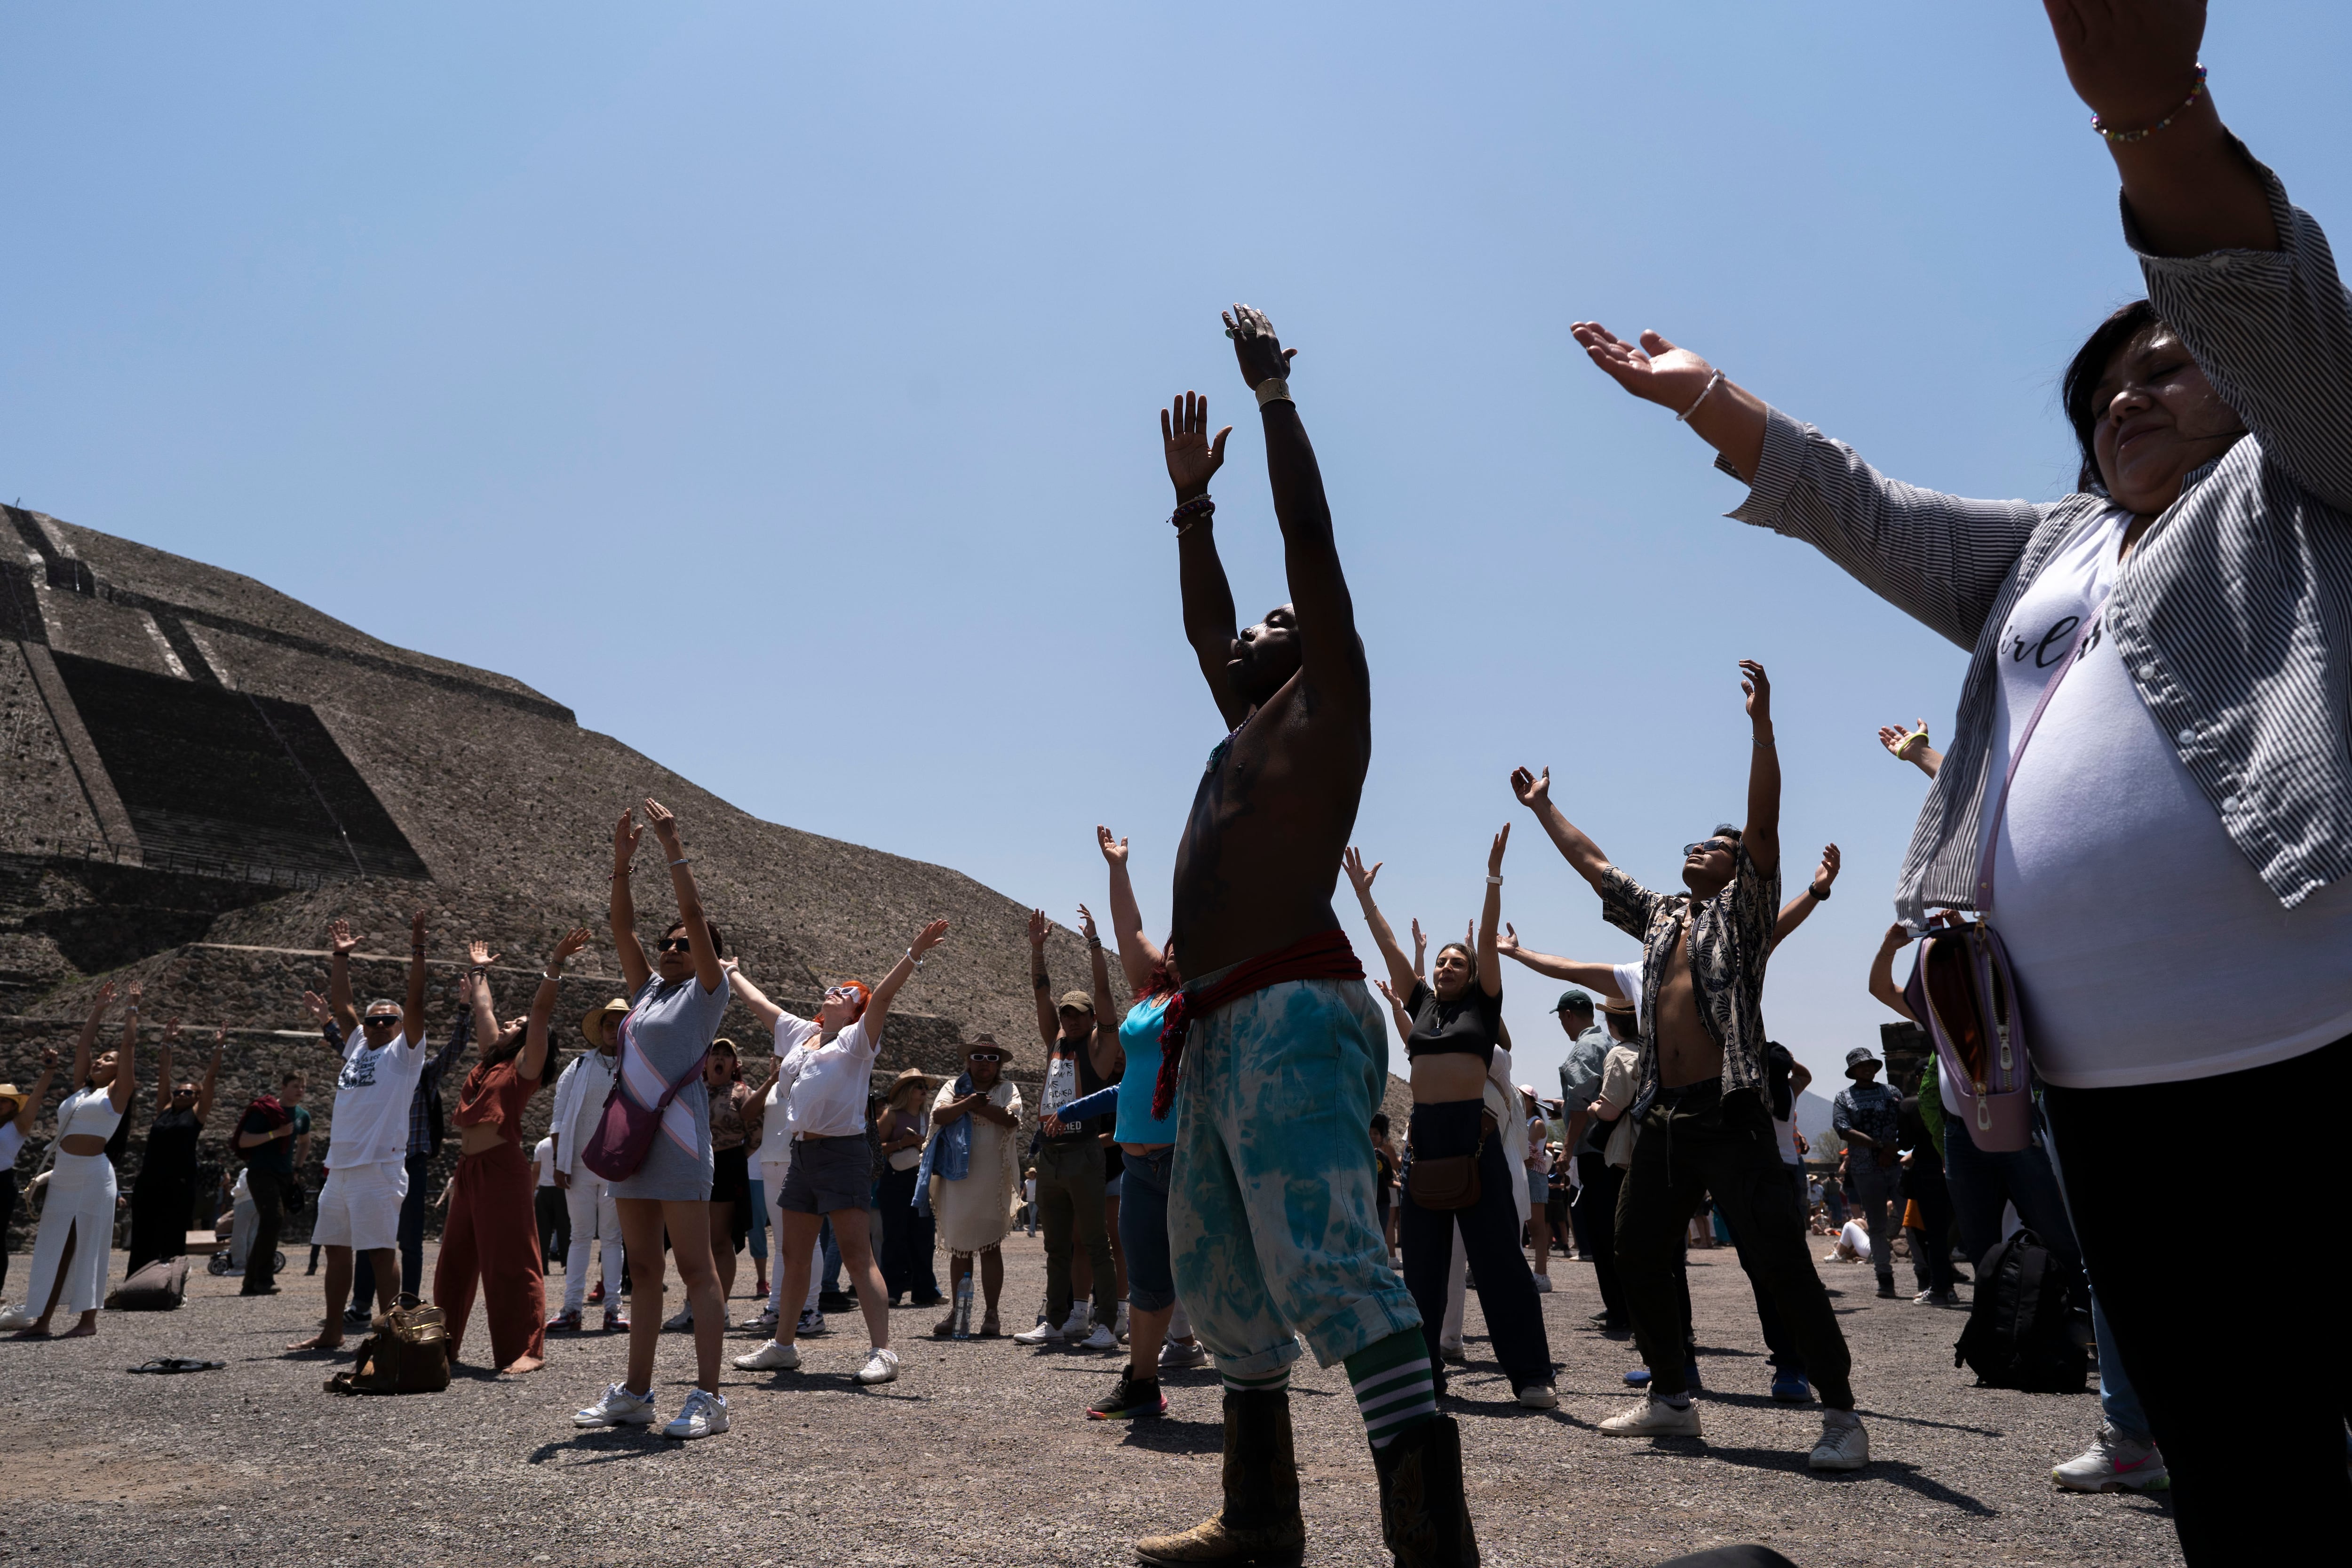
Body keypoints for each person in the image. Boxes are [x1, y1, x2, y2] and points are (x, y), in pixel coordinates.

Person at [1574, 4, 2352, 1544]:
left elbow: (2273, 307)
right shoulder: (2050, 554)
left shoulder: (2306, 470)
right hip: (2104, 1087)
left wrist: (2152, 119)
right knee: (2237, 1461)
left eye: (2171, 363)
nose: (2133, 391)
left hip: (2314, 1051)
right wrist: (1710, 398)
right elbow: (1871, 512)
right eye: (2110, 388)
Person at [1135, 312, 1470, 1568]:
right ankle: (1264, 1519)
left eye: (1281, 617)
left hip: (1293, 1011)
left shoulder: (1329, 705)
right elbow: (1203, 625)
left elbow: (1313, 548)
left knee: (1338, 1271)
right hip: (1217, 1025)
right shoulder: (1241, 729)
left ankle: (1435, 1546)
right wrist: (1188, 511)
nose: (1260, 622)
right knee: (1224, 1284)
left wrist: (1274, 400)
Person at [1506, 665, 1869, 1472]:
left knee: (1777, 1257)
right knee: (1633, 1247)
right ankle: (1673, 1396)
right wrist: (1542, 811)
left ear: (1742, 871)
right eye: (1697, 845)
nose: (1698, 849)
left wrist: (1762, 727)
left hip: (1731, 1111)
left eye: (1716, 847)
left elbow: (1763, 822)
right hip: (1666, 1117)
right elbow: (1597, 865)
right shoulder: (1667, 916)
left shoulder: (1743, 916)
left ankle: (1842, 1416)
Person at [1346, 838, 1556, 1411]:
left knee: (1499, 1267)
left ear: (1471, 973)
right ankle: (1425, 1377)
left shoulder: (1482, 1007)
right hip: (1426, 1146)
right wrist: (1364, 897)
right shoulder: (1421, 1006)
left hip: (1475, 1140)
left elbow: (1485, 942)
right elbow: (1389, 949)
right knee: (1423, 1272)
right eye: (1440, 961)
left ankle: (1531, 1375)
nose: (1444, 967)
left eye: (1454, 962)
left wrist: (1492, 879)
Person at [723, 916, 952, 1388]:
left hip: (843, 1154)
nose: (837, 992)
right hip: (801, 1155)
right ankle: (784, 1347)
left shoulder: (856, 1042)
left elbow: (884, 997)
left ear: (853, 1013)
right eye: (836, 988)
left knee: (855, 1253)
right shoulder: (799, 1035)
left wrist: (913, 954)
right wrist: (730, 971)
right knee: (794, 1252)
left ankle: (882, 1353)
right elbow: (758, 1004)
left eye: (848, 993)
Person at [570, 800, 736, 1440]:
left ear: (706, 956)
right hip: (635, 1141)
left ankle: (710, 1398)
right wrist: (620, 864)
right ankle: (637, 1392)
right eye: (666, 944)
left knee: (696, 1268)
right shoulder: (647, 992)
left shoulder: (705, 996)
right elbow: (621, 929)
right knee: (643, 1270)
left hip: (682, 1141)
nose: (671, 948)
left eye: (683, 944)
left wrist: (674, 848)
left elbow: (694, 915)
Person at [1032, 825, 1210, 1417]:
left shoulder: (1211, 1002)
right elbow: (1128, 929)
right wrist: (1117, 867)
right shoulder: (1150, 999)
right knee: (1149, 1280)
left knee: (1212, 1271)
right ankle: (1141, 1385)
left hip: (1189, 1158)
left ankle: (1255, 1384)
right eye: (1174, 942)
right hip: (1138, 1161)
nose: (1177, 948)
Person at [287, 913, 433, 1351]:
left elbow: (417, 1002)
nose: (381, 1025)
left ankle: (392, 1335)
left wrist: (418, 951)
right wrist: (340, 957)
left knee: (380, 1251)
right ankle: (333, 1331)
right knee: (335, 1248)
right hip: (341, 1166)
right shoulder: (355, 1047)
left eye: (390, 1020)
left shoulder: (403, 1055)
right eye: (375, 1020)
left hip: (378, 1164)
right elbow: (343, 1003)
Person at [436, 932, 577, 1375]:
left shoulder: (524, 1067)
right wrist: (478, 968)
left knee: (511, 1264)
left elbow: (539, 1012)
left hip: (502, 1169)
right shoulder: (489, 1061)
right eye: (511, 1023)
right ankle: (442, 1345)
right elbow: (483, 1008)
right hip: (470, 1169)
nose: (511, 1024)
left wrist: (554, 961)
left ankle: (527, 1349)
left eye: (517, 1025)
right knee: (454, 1262)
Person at [1014, 907, 1122, 1351]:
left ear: (1092, 1018)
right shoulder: (1055, 1041)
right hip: (1052, 1154)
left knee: (1097, 1242)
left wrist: (1095, 944)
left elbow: (1104, 991)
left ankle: (1108, 1323)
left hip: (1083, 1152)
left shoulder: (1099, 1047)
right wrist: (1038, 950)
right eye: (1067, 1014)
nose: (1072, 1019)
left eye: (1080, 1014)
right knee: (1056, 1245)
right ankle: (1056, 1320)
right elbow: (1040, 991)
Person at [9, 982, 135, 1339]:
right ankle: (44, 1320)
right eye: (101, 1058)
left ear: (118, 1070)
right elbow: (83, 1046)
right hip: (65, 1172)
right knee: (53, 1245)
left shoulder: (118, 1094)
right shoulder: (83, 1089)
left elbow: (128, 1047)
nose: (100, 1060)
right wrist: (98, 1008)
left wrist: (131, 1010)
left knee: (90, 1243)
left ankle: (87, 1321)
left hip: (95, 1175)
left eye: (107, 1060)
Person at [918, 1035, 1022, 1337]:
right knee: (960, 1247)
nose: (985, 1065)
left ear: (999, 1064)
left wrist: (969, 1107)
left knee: (991, 1246)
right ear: (969, 1061)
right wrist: (971, 1103)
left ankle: (992, 1314)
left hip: (992, 1178)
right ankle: (959, 1312)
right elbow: (939, 1115)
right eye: (979, 1057)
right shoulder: (953, 1087)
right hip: (958, 1178)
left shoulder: (1007, 1089)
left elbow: (1011, 1120)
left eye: (992, 1059)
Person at [547, 996, 628, 1333]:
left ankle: (613, 1309)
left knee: (612, 1237)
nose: (614, 1030)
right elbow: (559, 1115)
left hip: (616, 1166)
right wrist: (558, 1160)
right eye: (609, 1024)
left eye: (621, 1024)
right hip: (579, 1165)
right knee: (579, 1236)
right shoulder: (579, 1065)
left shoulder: (636, 1065)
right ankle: (572, 1309)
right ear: (601, 1029)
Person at [126, 1019, 221, 1273]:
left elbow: (210, 1078)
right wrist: (167, 1043)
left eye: (188, 1093)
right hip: (149, 1180)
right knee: (143, 1235)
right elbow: (163, 1074)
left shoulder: (197, 1115)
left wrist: (219, 1048)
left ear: (197, 1098)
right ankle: (136, 1282)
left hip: (178, 1183)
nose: (181, 1095)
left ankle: (168, 1285)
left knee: (172, 1235)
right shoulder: (164, 1110)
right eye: (179, 1092)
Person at [1829, 1046, 1904, 1301]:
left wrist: (1893, 1148)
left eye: (1871, 1064)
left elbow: (1905, 1122)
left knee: (1909, 1219)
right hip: (1864, 1169)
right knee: (1877, 1225)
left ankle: (1926, 1275)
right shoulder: (1844, 1097)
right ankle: (1885, 1279)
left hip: (1895, 1166)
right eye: (1862, 1066)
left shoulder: (1891, 1092)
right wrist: (1879, 1146)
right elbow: (1843, 1129)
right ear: (1853, 1071)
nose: (1868, 1068)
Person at [0, 1053, 63, 1311]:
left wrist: (49, 1071)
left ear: (14, 1105)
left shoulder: (18, 1125)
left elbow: (36, 1099)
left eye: (4, 1102)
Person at [875, 1068, 938, 1308]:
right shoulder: (892, 1115)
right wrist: (904, 1143)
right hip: (895, 1181)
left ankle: (925, 1290)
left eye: (924, 1087)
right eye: (918, 1086)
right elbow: (876, 1147)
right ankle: (891, 1291)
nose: (924, 1091)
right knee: (895, 1236)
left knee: (924, 1236)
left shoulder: (928, 1117)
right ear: (906, 1091)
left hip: (920, 1179)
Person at [532, 1134, 567, 1272]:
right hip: (561, 1190)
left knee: (543, 1230)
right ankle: (568, 1264)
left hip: (545, 1190)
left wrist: (532, 1192)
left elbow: (536, 1171)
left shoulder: (541, 1145)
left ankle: (543, 1265)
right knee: (565, 1228)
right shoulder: (565, 1144)